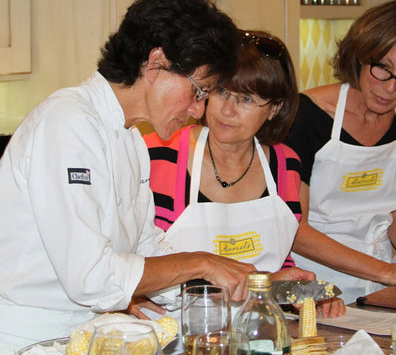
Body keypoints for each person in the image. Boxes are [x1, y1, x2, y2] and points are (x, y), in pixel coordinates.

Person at [0, 0, 256, 348]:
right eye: (199, 90)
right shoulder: (68, 122)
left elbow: (145, 248)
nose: (199, 111)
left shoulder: (131, 138)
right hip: (29, 339)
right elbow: (92, 278)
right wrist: (200, 264)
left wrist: (220, 286)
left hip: (84, 335)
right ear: (155, 63)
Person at [145, 30, 345, 317]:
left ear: (275, 108)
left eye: (247, 100)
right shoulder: (158, 156)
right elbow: (122, 259)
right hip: (174, 333)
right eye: (221, 92)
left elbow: (279, 257)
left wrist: (300, 292)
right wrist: (131, 299)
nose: (227, 111)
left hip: (260, 333)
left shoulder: (286, 166)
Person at [285, 0, 396, 303]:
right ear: (361, 55)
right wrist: (385, 271)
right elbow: (296, 230)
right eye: (383, 68)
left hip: (379, 292)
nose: (390, 88)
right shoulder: (306, 117)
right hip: (315, 292)